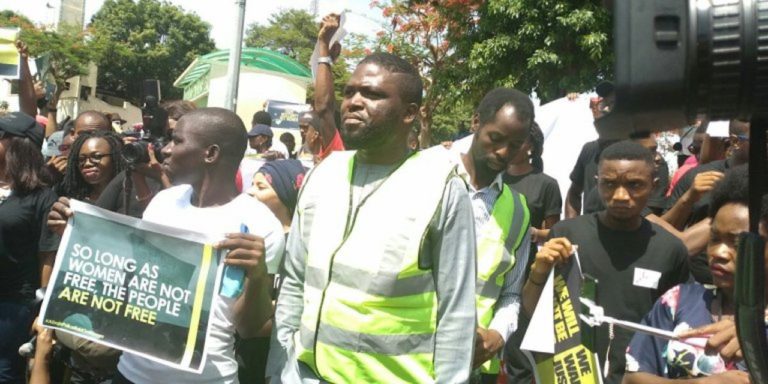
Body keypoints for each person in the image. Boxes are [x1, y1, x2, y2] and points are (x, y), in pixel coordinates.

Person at [271, 52, 477, 383]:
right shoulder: (322, 176)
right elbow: (295, 281)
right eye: (350, 91)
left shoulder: (441, 186)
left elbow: (458, 311)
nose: (353, 102)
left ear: (410, 113)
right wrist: (280, 368)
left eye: (372, 94)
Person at [48, 107, 285, 383]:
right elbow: (131, 277)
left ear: (210, 153)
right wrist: (78, 235)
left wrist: (256, 277)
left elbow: (249, 328)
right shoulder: (163, 202)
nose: (165, 150)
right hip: (131, 374)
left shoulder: (260, 225)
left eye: (177, 141)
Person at [524, 140, 690, 384]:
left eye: (634, 185)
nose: (621, 195)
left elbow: (680, 324)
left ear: (654, 187)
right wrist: (538, 272)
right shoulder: (567, 235)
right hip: (575, 374)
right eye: (609, 184)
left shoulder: (670, 250)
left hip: (641, 377)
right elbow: (530, 310)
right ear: (596, 182)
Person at [622, 166, 753, 383]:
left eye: (738, 243)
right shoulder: (678, 301)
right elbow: (632, 379)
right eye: (714, 239)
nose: (718, 253)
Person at [453, 87, 533, 383]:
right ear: (476, 123)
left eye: (514, 145)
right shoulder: (429, 176)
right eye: (495, 139)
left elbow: (511, 292)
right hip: (411, 357)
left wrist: (498, 334)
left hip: (476, 367)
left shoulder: (519, 211)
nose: (503, 152)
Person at [0, 112, 57, 383]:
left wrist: (41, 311)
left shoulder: (41, 196)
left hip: (13, 304)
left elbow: (47, 254)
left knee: (5, 371)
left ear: (16, 146)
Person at [504, 121, 562, 248]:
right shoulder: (493, 180)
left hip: (528, 264)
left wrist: (533, 234)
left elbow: (554, 234)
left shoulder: (547, 185)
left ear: (531, 146)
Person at [565, 80, 617, 218]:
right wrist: (572, 229)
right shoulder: (589, 149)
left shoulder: (642, 155)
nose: (605, 109)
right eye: (604, 104)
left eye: (612, 104)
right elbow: (573, 194)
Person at [55, 130, 125, 202]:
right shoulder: (74, 202)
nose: (87, 163)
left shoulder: (130, 198)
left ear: (115, 158)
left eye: (96, 156)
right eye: (82, 159)